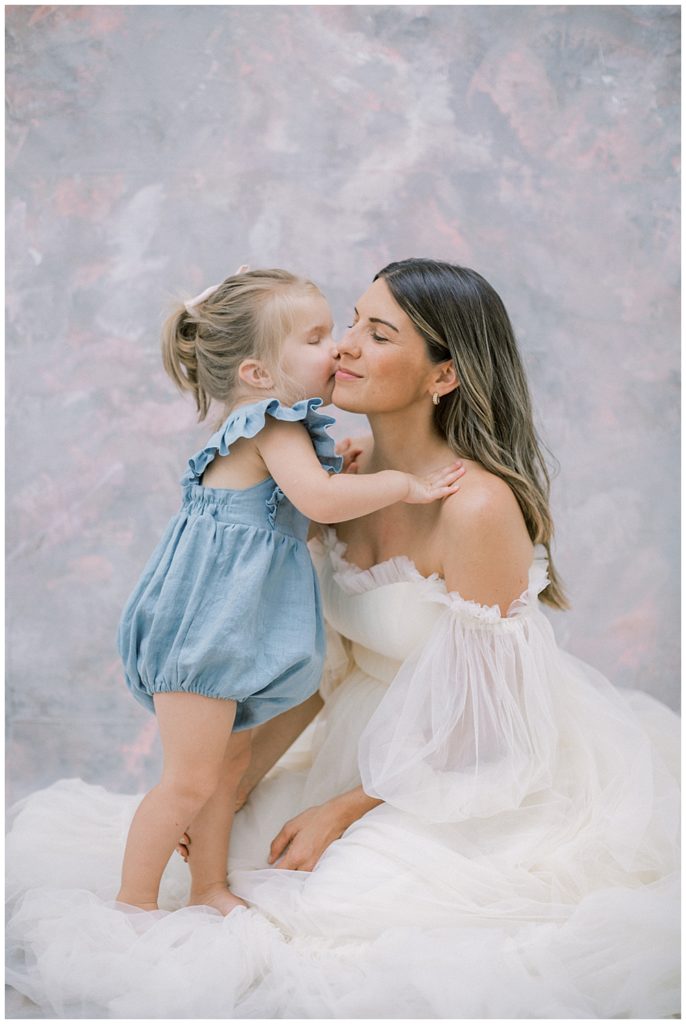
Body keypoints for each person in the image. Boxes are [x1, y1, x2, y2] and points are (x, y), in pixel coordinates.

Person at [6, 260, 679, 1019]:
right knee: (223, 844)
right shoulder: (331, 482)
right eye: (350, 322)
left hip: (470, 762)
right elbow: (322, 663)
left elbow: (491, 725)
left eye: (377, 333)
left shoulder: (475, 506)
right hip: (360, 738)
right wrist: (240, 774)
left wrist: (346, 808)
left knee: (344, 911)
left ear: (444, 375)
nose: (347, 346)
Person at [113, 266, 463, 917]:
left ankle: (209, 885)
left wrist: (344, 472)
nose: (339, 348)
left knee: (227, 767)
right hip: (202, 631)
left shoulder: (287, 432)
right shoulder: (271, 424)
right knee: (189, 780)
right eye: (317, 337)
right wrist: (399, 486)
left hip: (231, 631)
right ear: (258, 374)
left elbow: (304, 514)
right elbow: (321, 500)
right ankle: (132, 903)